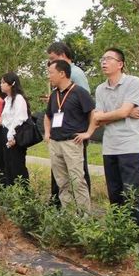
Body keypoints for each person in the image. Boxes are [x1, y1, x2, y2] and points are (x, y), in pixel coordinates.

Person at [75, 48, 139, 245]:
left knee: (131, 193)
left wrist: (115, 114)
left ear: (120, 64)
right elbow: (98, 118)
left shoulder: (133, 82)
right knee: (115, 194)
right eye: (102, 58)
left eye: (108, 59)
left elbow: (119, 113)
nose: (104, 62)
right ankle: (120, 236)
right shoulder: (100, 89)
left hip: (130, 146)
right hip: (110, 147)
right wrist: (118, 113)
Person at [44, 60, 94, 211]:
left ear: (62, 73)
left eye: (51, 73)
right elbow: (48, 116)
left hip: (72, 143)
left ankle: (85, 218)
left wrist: (89, 133)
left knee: (77, 181)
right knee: (62, 182)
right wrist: (47, 133)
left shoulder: (79, 92)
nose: (49, 77)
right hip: (55, 143)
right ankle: (69, 215)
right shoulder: (54, 95)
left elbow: (93, 113)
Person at [0, 72, 30, 186]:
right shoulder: (7, 99)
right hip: (5, 132)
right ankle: (11, 189)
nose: (1, 85)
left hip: (15, 135)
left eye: (3, 82)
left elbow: (20, 118)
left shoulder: (18, 98)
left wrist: (11, 135)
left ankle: (22, 192)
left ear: (11, 84)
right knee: (8, 164)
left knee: (17, 164)